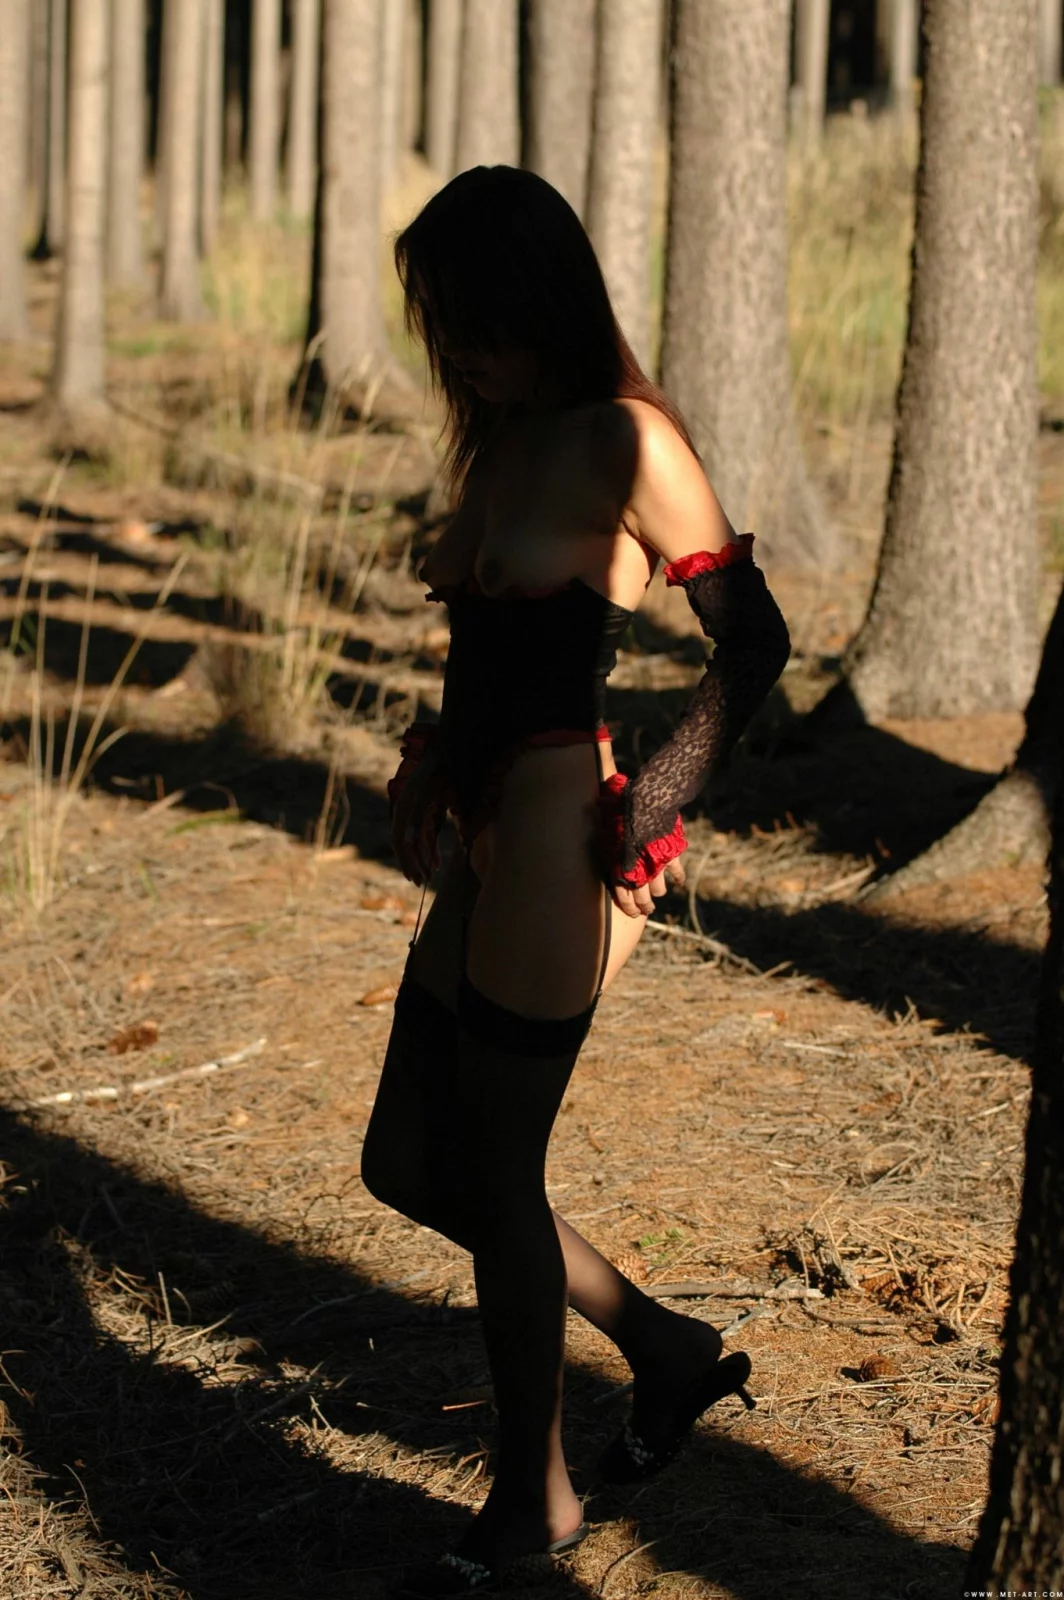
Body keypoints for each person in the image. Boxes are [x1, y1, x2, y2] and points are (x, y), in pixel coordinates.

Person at [360, 165, 791, 1597]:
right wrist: (434, 756)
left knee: (493, 1170)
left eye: (470, 319)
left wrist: (653, 801)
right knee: (406, 1162)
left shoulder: (627, 438)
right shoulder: (502, 442)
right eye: (440, 325)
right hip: (490, 829)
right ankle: (663, 1348)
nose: (456, 350)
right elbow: (487, 651)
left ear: (533, 298)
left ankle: (534, 1497)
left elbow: (754, 640)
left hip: (563, 833)